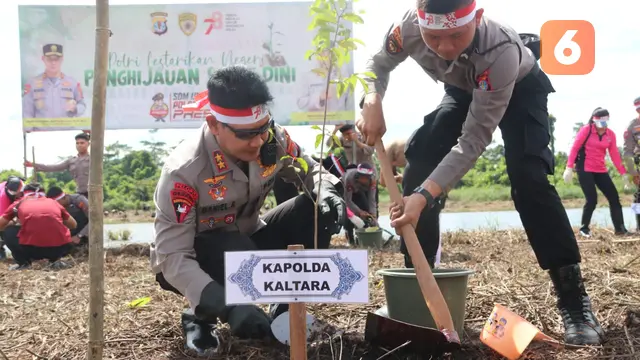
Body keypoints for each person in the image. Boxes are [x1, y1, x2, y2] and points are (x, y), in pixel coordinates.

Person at [357, 0, 603, 345]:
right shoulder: (408, 26)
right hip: (464, 88)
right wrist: (371, 99)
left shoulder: (499, 49)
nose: (444, 48)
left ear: (477, 18)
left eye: (456, 36)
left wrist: (425, 196)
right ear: (420, 23)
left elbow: (472, 140)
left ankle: (575, 305)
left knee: (529, 180)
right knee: (423, 154)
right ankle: (417, 288)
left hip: (518, 88)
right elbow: (376, 63)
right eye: (433, 37)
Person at [149, 65, 346, 356]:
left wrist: (324, 187)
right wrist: (230, 307)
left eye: (262, 130)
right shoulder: (184, 172)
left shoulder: (271, 137)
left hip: (249, 240)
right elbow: (172, 258)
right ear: (214, 124)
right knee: (233, 246)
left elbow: (310, 170)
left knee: (315, 208)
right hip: (201, 255)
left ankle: (283, 304)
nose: (257, 142)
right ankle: (201, 314)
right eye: (246, 135)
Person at [565, 108, 629, 237]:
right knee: (592, 199)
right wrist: (569, 167)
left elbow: (614, 155)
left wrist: (623, 173)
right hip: (585, 168)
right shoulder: (586, 130)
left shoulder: (610, 134)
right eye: (600, 120)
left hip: (600, 169)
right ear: (594, 120)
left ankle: (620, 229)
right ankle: (584, 228)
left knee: (614, 198)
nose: (603, 122)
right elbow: (575, 147)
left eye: (606, 119)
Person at [0, 183, 77, 271]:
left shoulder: (18, 203)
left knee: (8, 231)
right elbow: (73, 225)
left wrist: (15, 222)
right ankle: (55, 261)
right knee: (62, 228)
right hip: (59, 249)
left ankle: (24, 263)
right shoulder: (54, 202)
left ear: (24, 193)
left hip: (32, 250)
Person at [22, 43, 86, 119]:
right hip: (41, 130)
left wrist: (75, 108)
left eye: (56, 59)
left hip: (67, 130)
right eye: (49, 59)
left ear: (62, 59)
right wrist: (29, 130)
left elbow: (82, 105)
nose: (53, 63)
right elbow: (27, 112)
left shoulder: (72, 83)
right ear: (43, 59)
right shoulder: (32, 84)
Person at [25, 133, 90, 197]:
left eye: (82, 143)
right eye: (77, 143)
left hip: (94, 192)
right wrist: (34, 164)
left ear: (88, 144)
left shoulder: (93, 158)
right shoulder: (72, 160)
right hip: (79, 192)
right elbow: (55, 167)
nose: (79, 145)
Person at [343, 163, 378, 245]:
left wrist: (373, 216)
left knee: (367, 209)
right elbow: (348, 201)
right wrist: (359, 211)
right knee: (349, 213)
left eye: (366, 178)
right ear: (358, 174)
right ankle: (350, 236)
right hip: (348, 192)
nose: (364, 179)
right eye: (362, 176)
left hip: (361, 191)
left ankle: (365, 235)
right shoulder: (349, 178)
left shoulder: (372, 180)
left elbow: (372, 200)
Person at [623, 96, 640, 231]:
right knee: (638, 197)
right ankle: (639, 226)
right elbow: (628, 152)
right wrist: (633, 172)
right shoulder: (632, 127)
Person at [0, 176, 25, 260]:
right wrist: (15, 222)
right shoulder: (4, 197)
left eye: (18, 194)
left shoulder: (24, 189)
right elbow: (3, 222)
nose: (17, 196)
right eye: (14, 195)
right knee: (6, 229)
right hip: (3, 209)